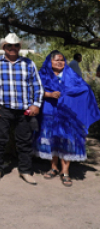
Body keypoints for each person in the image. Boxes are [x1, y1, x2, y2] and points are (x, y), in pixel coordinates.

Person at [34, 51, 100, 187]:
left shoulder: (72, 75)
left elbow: (84, 89)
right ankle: (53, 167)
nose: (60, 62)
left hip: (68, 114)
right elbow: (35, 90)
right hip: (49, 112)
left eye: (62, 60)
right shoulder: (43, 75)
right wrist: (49, 94)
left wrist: (68, 94)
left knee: (67, 141)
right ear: (49, 62)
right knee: (52, 140)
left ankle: (65, 172)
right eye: (56, 60)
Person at [0, 33, 44, 185]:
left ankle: (25, 171)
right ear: (3, 47)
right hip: (2, 109)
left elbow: (37, 86)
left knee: (24, 142)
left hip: (24, 109)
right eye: (9, 45)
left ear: (19, 47)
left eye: (16, 45)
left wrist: (36, 104)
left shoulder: (28, 64)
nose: (12, 48)